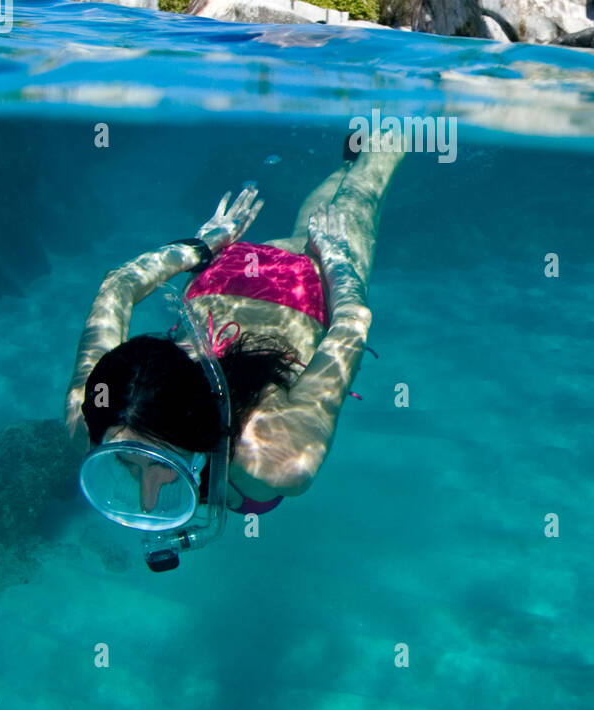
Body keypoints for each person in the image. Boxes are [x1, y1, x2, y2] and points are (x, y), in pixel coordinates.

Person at [65, 129, 404, 567]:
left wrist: (336, 261)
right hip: (219, 280)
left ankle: (410, 114)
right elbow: (118, 285)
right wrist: (199, 248)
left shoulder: (279, 459)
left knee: (365, 189)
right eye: (130, 461)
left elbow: (353, 322)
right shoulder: (90, 420)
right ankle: (346, 164)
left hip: (304, 288)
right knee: (320, 221)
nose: (149, 500)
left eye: (157, 460)